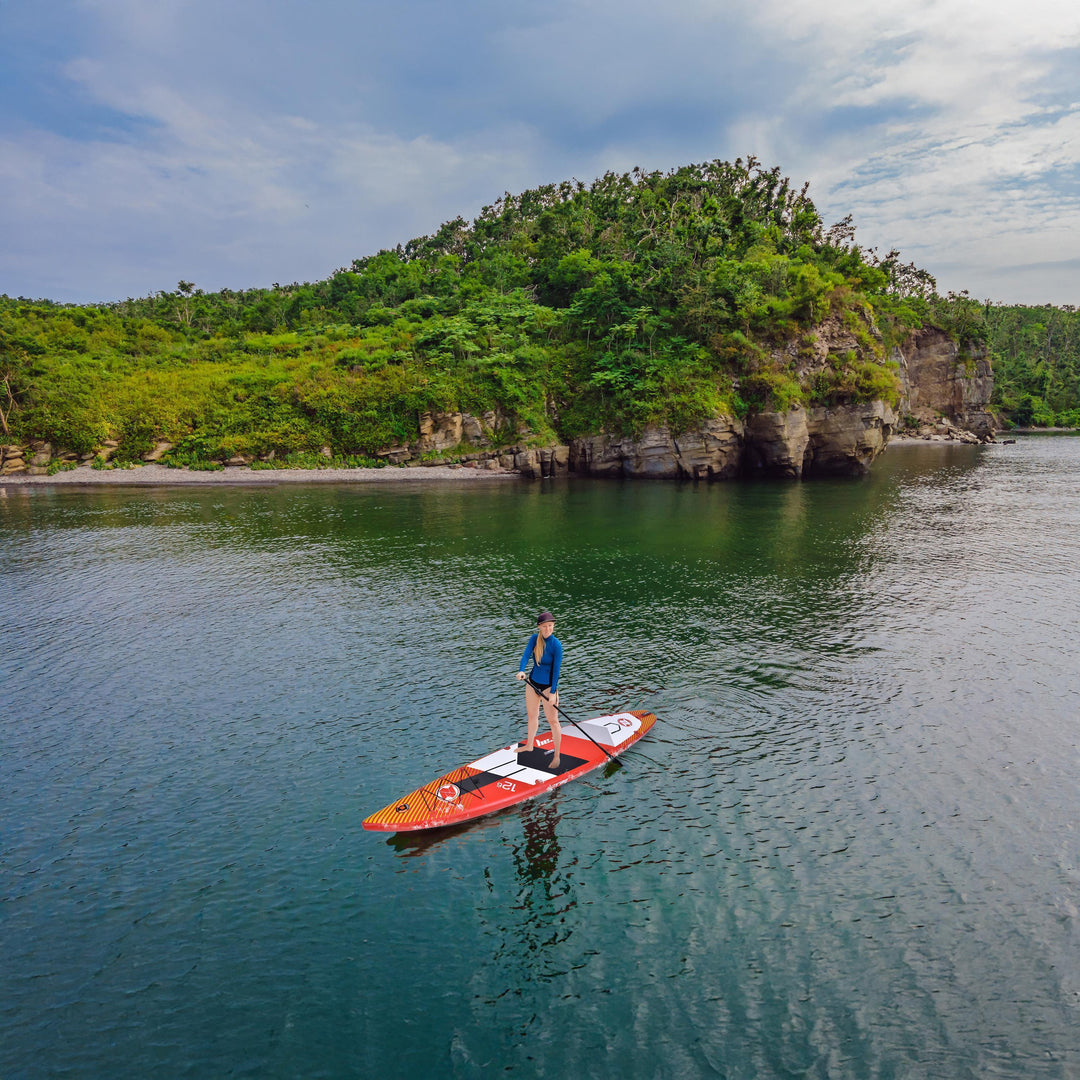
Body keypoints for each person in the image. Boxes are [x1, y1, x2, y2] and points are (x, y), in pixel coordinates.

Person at [516, 611, 563, 768]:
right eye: (544, 626)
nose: (548, 629)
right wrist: (522, 670)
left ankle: (556, 755)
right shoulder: (534, 639)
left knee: (553, 721)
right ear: (539, 627)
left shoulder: (556, 645)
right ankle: (530, 745)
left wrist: (552, 692)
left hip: (548, 687)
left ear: (553, 626)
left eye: (550, 626)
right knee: (532, 716)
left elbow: (556, 671)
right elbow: (526, 656)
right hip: (532, 683)